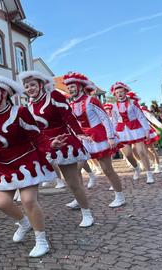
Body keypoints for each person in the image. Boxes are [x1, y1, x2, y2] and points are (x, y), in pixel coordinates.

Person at [0, 75, 66, 257]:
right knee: (2, 203)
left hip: (26, 161)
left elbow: (37, 136)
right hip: (2, 165)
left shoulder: (21, 112)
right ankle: (24, 222)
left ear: (4, 93)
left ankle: (41, 240)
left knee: (28, 200)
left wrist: (51, 145)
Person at [18, 71, 94, 228]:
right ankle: (33, 218)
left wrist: (79, 133)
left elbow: (68, 116)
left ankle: (87, 212)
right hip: (44, 145)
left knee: (72, 182)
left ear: (40, 85)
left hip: (63, 142)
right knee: (32, 181)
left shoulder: (54, 96)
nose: (30, 88)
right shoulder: (30, 104)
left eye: (32, 85)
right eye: (26, 86)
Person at [65, 72, 125, 208]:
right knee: (76, 170)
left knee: (107, 169)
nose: (70, 90)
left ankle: (119, 196)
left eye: (72, 87)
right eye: (68, 88)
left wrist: (110, 137)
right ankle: (79, 199)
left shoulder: (91, 100)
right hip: (84, 138)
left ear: (80, 87)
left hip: (99, 136)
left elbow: (105, 118)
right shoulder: (72, 104)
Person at [110, 82, 155, 184]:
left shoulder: (133, 103)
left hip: (136, 129)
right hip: (122, 131)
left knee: (141, 152)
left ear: (125, 92)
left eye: (121, 92)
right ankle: (136, 168)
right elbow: (114, 120)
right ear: (115, 95)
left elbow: (141, 116)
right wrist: (113, 134)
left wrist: (147, 130)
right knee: (128, 154)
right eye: (117, 92)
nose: (119, 94)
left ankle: (149, 173)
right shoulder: (114, 106)